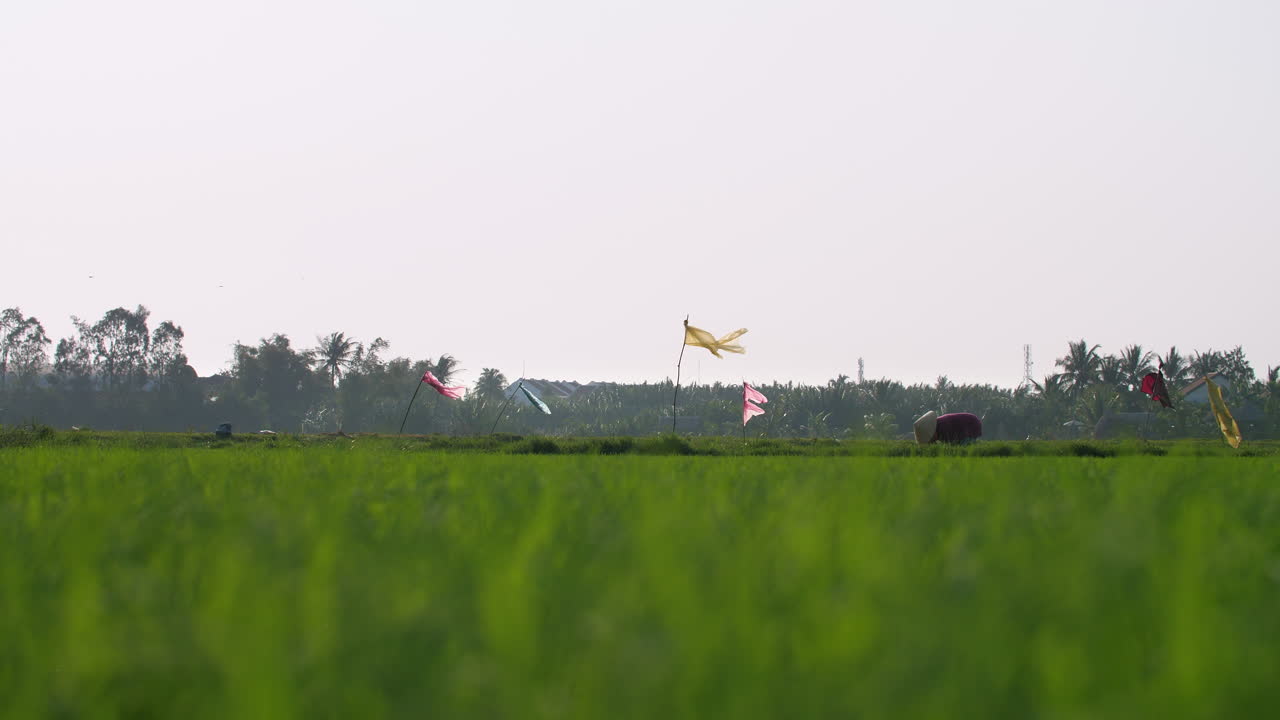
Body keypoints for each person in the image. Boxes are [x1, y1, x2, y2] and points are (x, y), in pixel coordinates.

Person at [913, 411, 982, 445]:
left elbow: (951, 443)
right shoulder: (938, 425)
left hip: (972, 424)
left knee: (964, 446)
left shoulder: (943, 428)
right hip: (968, 424)